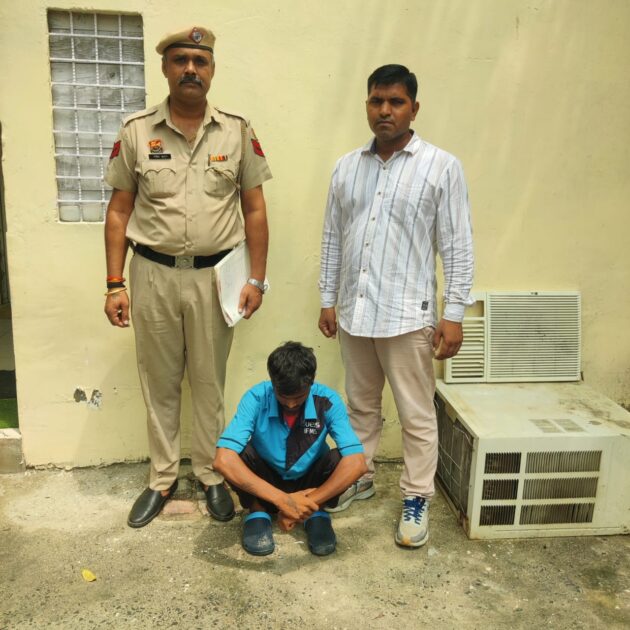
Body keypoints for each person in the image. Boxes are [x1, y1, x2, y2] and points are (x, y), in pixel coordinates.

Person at [104, 26, 272, 528]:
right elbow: (119, 212)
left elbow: (255, 210)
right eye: (180, 60)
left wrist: (257, 280)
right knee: (159, 382)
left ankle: (210, 474)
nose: (190, 70)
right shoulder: (136, 132)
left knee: (208, 381)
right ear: (165, 68)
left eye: (200, 61)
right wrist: (115, 283)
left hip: (215, 279)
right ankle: (161, 479)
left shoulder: (237, 131)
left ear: (212, 69)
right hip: (152, 275)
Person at [318, 64, 474, 548]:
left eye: (396, 102)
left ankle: (416, 496)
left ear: (414, 108)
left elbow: (457, 245)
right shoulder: (347, 167)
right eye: (376, 101)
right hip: (356, 312)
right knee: (360, 406)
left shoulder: (441, 166)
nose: (384, 110)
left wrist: (454, 313)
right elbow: (332, 238)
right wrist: (327, 299)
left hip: (408, 316)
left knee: (416, 414)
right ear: (367, 105)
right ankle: (360, 476)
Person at [213, 342, 367, 556]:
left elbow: (358, 463)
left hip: (310, 484)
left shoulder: (328, 401)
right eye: (283, 397)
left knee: (342, 458)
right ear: (272, 382)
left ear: (311, 383)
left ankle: (315, 512)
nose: (291, 404)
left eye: (299, 397)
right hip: (266, 480)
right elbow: (222, 460)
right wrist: (283, 501)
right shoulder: (256, 398)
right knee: (237, 452)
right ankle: (258, 510)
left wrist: (303, 506)